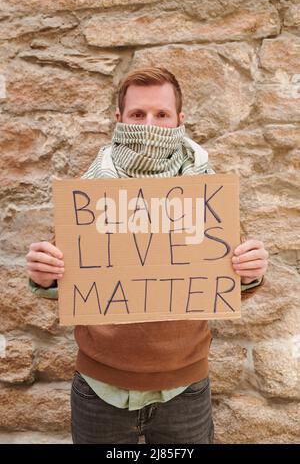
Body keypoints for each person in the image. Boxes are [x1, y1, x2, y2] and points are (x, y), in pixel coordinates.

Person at [26, 67, 268, 444]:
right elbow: (65, 280)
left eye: (161, 115)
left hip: (184, 389)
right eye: (138, 115)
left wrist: (250, 271)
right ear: (120, 119)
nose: (149, 125)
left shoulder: (207, 191)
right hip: (99, 388)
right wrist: (44, 276)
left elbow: (235, 281)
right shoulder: (89, 193)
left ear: (179, 121)